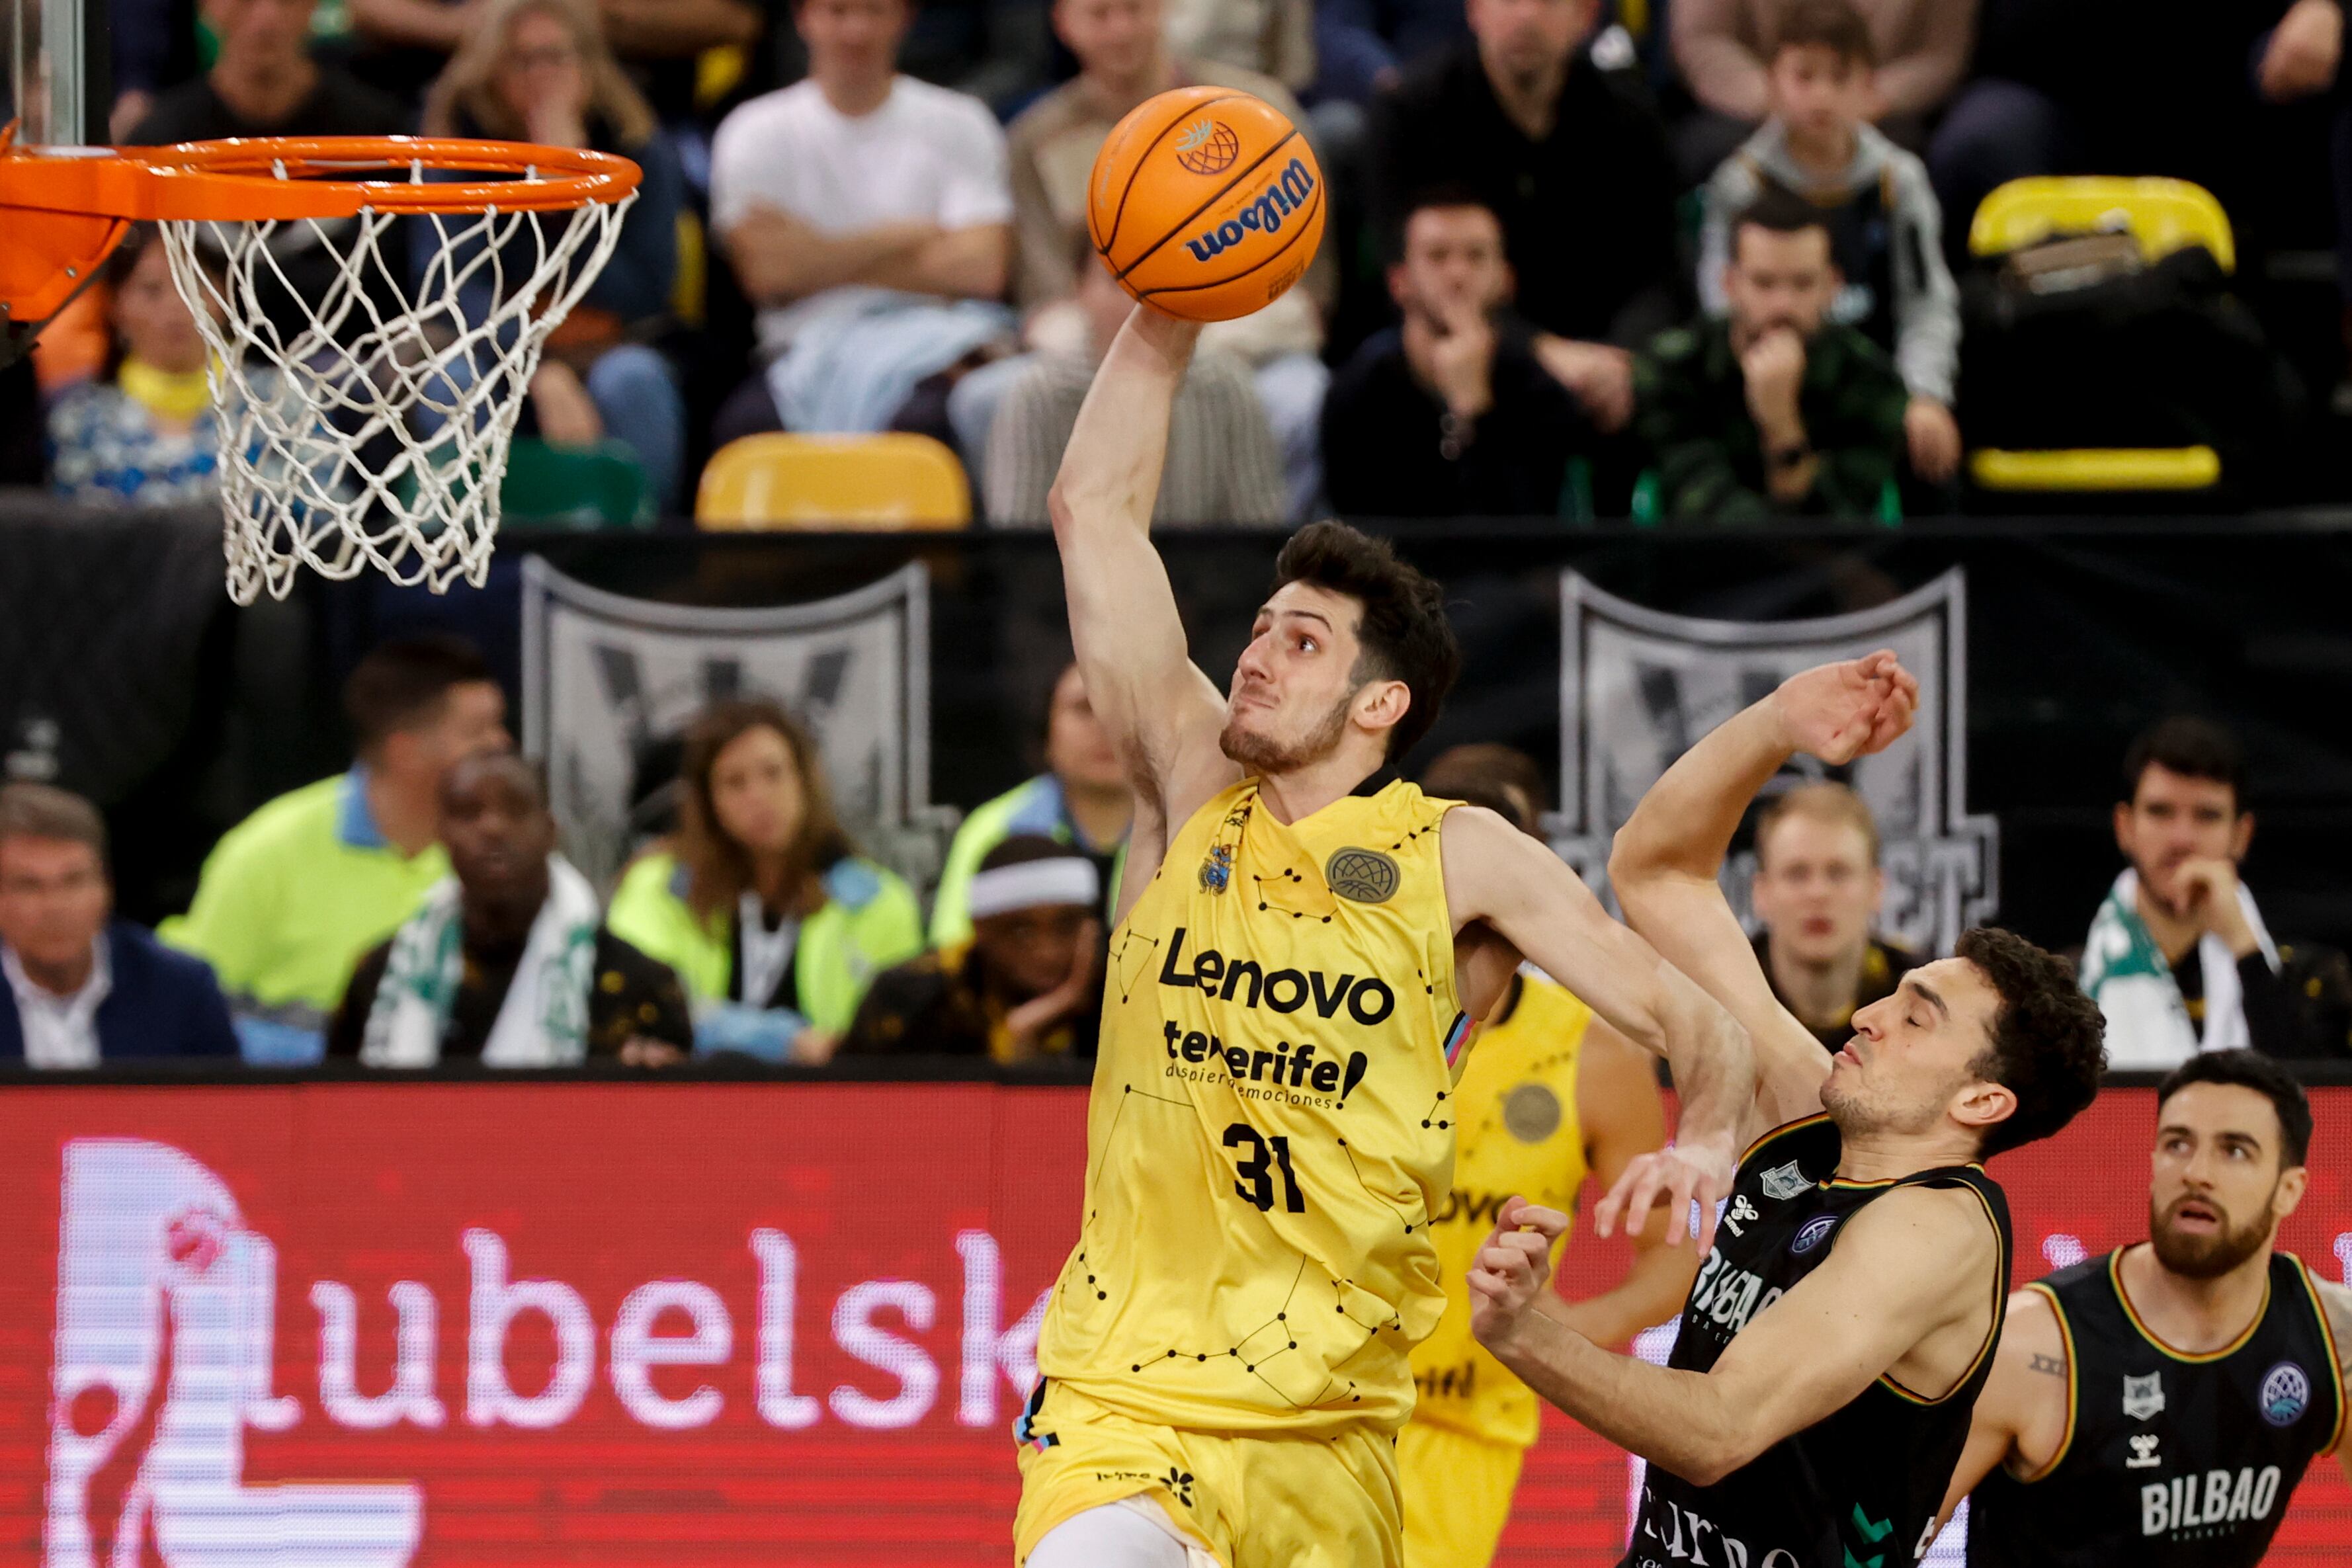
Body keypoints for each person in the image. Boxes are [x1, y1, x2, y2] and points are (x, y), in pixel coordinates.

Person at [1011, 296, 1753, 1568]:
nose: (1255, 655)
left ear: (1381, 701)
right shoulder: (1188, 779)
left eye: (1302, 642)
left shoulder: (1460, 855)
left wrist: (1705, 1135)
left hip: (1333, 1433)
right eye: (1258, 629)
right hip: (1124, 1404)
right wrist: (1168, 313)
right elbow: (1092, 514)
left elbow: (1693, 1020)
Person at [1466, 651, 2109, 1568]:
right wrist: (1776, 722)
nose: (1870, 1013)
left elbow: (1720, 1429)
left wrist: (1523, 1331)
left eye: (1916, 1015)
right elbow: (1655, 871)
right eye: (1899, 992)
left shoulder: (1937, 1229)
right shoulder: (1813, 1114)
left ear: (1982, 1098)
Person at [1401, 744, 1701, 1568]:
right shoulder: (1329, 1012)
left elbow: (1676, 1250)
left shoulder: (1592, 1050)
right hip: (1301, 1403)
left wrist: (1578, 1328)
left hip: (1459, 1433)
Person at [1946, 1049, 2352, 1563]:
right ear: (2154, 1161)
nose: (2196, 1172)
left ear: (2289, 1190)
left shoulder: (2329, 1332)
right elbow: (1881, 1538)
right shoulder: (2033, 1345)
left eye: (2235, 1151)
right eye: (2177, 1144)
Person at [989, 0, 1334, 518]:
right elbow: (1046, 296)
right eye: (1100, 14)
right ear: (1064, 24)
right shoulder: (1036, 138)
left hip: (1244, 340)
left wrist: (1198, 337)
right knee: (985, 399)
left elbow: (1309, 288)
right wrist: (1138, 348)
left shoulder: (1258, 109)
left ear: (1164, 9)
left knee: (1303, 398)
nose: (1121, 29)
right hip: (1099, 340)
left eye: (1134, 10)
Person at [161, 635, 511, 1061]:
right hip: (289, 1112)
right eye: (480, 733)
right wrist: (329, 1059)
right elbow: (189, 1010)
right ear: (406, 750)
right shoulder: (267, 850)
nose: (502, 745)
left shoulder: (508, 853)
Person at [1368, 0, 1682, 442]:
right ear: (1474, 10)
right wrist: (1537, 350)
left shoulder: (1632, 120)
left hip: (1607, 359)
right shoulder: (1411, 115)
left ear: (1586, 16)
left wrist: (1621, 359)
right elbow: (1404, 276)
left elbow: (1660, 271)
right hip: (1466, 348)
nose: (1527, 17)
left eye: (1550, 2)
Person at [419, 0, 691, 509]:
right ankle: (462, 564)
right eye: (522, 60)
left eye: (556, 58)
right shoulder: (458, 154)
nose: (542, 76)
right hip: (491, 350)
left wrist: (573, 203)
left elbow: (645, 294)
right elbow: (450, 291)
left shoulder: (639, 152)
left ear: (590, 66)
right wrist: (537, 366)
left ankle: (645, 556)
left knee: (635, 379)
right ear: (490, 71)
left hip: (609, 347)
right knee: (453, 381)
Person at [708, 0, 1015, 444]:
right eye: (838, 11)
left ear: (904, 18)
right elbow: (766, 273)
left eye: (874, 11)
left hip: (930, 350)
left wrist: (813, 254)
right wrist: (904, 235)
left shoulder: (961, 121)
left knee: (925, 425)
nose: (856, 31)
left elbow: (982, 269)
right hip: (794, 352)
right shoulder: (754, 130)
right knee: (744, 432)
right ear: (803, 18)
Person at [1695, 0, 1961, 487]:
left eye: (1840, 78)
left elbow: (1926, 303)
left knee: (1932, 449)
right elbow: (1719, 304)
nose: (1821, 96)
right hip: (1762, 384)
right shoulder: (1740, 183)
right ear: (1772, 82)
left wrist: (1924, 393)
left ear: (1870, 88)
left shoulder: (1897, 183)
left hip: (1872, 392)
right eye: (1804, 76)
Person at [606, 698, 924, 1061]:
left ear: (806, 781)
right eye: (735, 783)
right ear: (711, 802)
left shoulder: (878, 903)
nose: (758, 797)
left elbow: (894, 1041)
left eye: (773, 773)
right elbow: (635, 1005)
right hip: (689, 1103)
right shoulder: (658, 888)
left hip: (828, 1107)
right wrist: (784, 1041)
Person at [328, 751, 691, 1065]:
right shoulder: (381, 975)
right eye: (469, 813)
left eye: (516, 810)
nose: (493, 828)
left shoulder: (638, 982)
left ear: (551, 831)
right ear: (441, 835)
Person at [129, 0, 413, 342]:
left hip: (351, 356)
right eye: (244, 2)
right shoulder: (162, 139)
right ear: (207, 8)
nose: (265, 18)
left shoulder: (375, 133)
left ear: (313, 8)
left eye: (285, 1)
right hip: (204, 360)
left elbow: (393, 274)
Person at [1636, 186, 1910, 520]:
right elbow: (1702, 514)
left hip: (1827, 571)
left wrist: (1782, 427)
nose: (1783, 305)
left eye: (1803, 283)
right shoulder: (1673, 370)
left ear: (1833, 285)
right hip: (1703, 568)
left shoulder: (1871, 380)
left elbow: (1841, 525)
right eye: (1764, 283)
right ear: (1730, 285)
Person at [982, 231, 1285, 526]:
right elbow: (1019, 551)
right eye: (1118, 282)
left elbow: (1258, 538)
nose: (1137, 304)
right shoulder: (1036, 398)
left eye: (1154, 284)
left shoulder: (1229, 389)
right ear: (1079, 289)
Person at [1322, 190, 1586, 518]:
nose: (1457, 274)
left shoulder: (1538, 391)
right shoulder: (1357, 392)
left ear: (1506, 280)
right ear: (1399, 281)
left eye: (1476, 256)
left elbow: (1526, 538)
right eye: (1437, 256)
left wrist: (1473, 413)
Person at [2080, 717, 2305, 1069]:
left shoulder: (2309, 981)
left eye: (2207, 816)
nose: (2182, 839)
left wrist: (2245, 948)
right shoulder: (2066, 983)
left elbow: (2319, 1110)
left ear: (2241, 836)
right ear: (2125, 828)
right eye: (2160, 812)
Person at [0, 784, 239, 1067]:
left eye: (74, 882)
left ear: (107, 888)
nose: (55, 907)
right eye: (28, 886)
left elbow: (225, 1108)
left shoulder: (182, 989)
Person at [843, 835, 1104, 1062]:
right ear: (980, 929)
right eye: (1021, 932)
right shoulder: (912, 997)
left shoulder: (1120, 993)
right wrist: (1019, 1041)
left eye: (1066, 926)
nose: (1048, 951)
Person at [932, 662, 1132, 948]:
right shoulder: (993, 829)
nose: (1105, 726)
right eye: (1084, 708)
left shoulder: (1194, 828)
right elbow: (953, 955)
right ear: (1045, 730)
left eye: (1124, 709)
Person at [1669, 0, 1974, 178]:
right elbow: (1703, 39)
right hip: (1751, 106)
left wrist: (1865, 97)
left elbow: (1939, 54)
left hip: (1883, 111)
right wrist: (1779, 94)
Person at [47, 229, 224, 510]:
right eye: (152, 290)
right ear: (115, 306)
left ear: (224, 298)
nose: (177, 307)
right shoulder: (79, 419)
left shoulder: (281, 407)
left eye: (195, 286)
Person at [1749, 781, 1922, 1050]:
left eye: (1838, 873)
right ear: (1761, 893)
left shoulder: (1920, 1004)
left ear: (1877, 888)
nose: (1818, 893)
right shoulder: (1717, 1001)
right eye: (1797, 873)